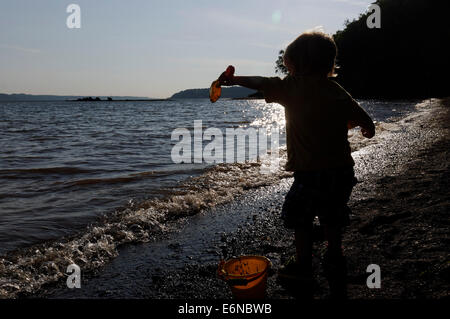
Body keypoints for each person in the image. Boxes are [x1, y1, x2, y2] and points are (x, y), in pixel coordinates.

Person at [218, 31, 375, 299]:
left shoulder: (291, 87)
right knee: (332, 214)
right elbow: (363, 118)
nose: (286, 70)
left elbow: (260, 82)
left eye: (288, 65)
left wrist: (233, 80)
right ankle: (334, 256)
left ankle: (303, 263)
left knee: (300, 218)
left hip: (310, 174)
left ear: (297, 65)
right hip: (341, 171)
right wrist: (366, 129)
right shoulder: (337, 91)